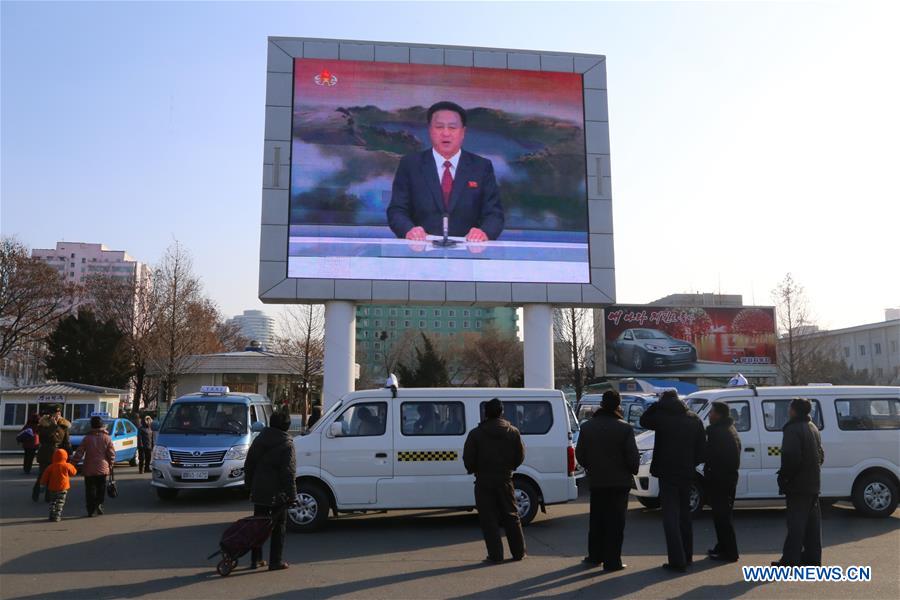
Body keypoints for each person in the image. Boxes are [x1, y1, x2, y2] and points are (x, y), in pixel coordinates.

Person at [387, 101, 504, 242]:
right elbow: (397, 210)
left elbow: (494, 214)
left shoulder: (481, 167)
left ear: (463, 132)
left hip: (469, 253)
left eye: (452, 127)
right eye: (439, 127)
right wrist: (409, 230)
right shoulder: (411, 165)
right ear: (430, 130)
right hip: (420, 253)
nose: (446, 133)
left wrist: (484, 232)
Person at [639, 390, 706, 573]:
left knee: (670, 516)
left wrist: (657, 404)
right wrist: (690, 463)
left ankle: (677, 560)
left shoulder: (662, 418)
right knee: (685, 515)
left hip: (667, 473)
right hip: (686, 473)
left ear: (664, 401)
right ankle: (687, 555)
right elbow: (701, 451)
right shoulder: (694, 419)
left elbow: (643, 420)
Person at [575, 391, 639, 571]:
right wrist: (630, 470)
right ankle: (612, 561)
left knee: (597, 520)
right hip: (620, 483)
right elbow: (633, 458)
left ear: (602, 404)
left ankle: (594, 556)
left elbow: (580, 454)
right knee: (615, 523)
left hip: (597, 481)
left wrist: (592, 467)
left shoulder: (588, 427)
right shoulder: (625, 428)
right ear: (618, 406)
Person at [462, 397, 526, 563]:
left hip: (483, 481)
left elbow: (468, 459)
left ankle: (496, 555)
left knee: (488, 519)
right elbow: (520, 456)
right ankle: (518, 552)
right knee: (512, 516)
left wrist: (475, 470)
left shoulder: (476, 434)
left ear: (485, 413)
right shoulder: (513, 432)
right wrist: (510, 468)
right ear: (502, 412)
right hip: (505, 479)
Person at [773, 397, 825, 567]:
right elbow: (821, 456)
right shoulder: (813, 427)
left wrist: (785, 477)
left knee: (795, 525)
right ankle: (812, 558)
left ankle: (789, 561)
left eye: (790, 408)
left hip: (798, 485)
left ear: (794, 410)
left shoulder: (792, 429)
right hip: (813, 483)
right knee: (811, 526)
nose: (788, 410)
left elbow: (791, 458)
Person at [244, 411, 297, 571]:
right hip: (277, 493)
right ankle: (275, 561)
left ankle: (256, 560)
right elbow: (288, 472)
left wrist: (249, 487)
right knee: (279, 526)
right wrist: (292, 495)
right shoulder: (287, 444)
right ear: (287, 426)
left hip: (259, 489)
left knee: (258, 525)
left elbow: (249, 465)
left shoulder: (259, 439)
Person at [704, 401, 741, 562]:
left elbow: (710, 455)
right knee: (722, 516)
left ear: (718, 414)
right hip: (727, 478)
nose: (709, 415)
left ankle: (730, 552)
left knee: (722, 517)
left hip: (720, 479)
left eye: (711, 412)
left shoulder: (718, 432)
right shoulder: (729, 429)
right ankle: (722, 546)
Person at [71, 416, 116, 517]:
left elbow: (79, 452)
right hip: (102, 467)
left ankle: (90, 509)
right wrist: (111, 463)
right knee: (101, 488)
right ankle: (99, 503)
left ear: (91, 425)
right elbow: (111, 453)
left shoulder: (87, 438)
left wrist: (72, 463)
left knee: (90, 489)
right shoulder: (107, 438)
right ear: (102, 425)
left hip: (89, 467)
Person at [32, 406, 71, 502]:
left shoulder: (63, 425)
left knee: (55, 476)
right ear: (50, 415)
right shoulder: (43, 424)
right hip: (46, 452)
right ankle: (36, 492)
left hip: (59, 454)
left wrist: (69, 453)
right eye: (55, 414)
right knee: (43, 474)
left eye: (59, 413)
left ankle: (48, 497)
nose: (58, 415)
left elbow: (66, 441)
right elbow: (44, 436)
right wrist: (53, 426)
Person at [39, 448, 77, 522]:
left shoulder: (50, 467)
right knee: (60, 501)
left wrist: (42, 484)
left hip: (52, 487)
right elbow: (74, 472)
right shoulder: (67, 465)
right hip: (63, 487)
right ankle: (57, 515)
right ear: (65, 457)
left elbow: (44, 477)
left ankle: (51, 514)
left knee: (52, 501)